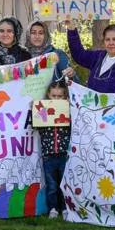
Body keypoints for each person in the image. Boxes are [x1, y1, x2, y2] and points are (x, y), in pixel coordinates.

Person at [39, 79, 73, 217]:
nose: (57, 99)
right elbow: (36, 126)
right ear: (48, 95)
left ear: (65, 97)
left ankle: (65, 208)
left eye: (60, 96)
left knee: (64, 184)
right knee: (51, 185)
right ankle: (53, 208)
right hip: (49, 155)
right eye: (54, 96)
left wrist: (70, 110)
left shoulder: (69, 112)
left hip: (64, 155)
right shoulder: (43, 112)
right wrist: (37, 110)